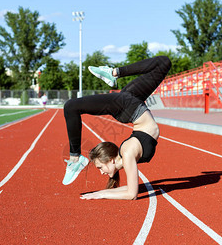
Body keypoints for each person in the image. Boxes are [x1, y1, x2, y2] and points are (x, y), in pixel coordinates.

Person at [62, 56, 171, 200]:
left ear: (111, 160)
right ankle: (113, 73)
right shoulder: (127, 154)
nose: (101, 173)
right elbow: (132, 192)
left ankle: (75, 159)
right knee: (163, 63)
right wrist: (100, 193)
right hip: (131, 105)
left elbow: (131, 193)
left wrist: (100, 194)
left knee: (71, 106)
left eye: (100, 167)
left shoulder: (126, 153)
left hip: (128, 106)